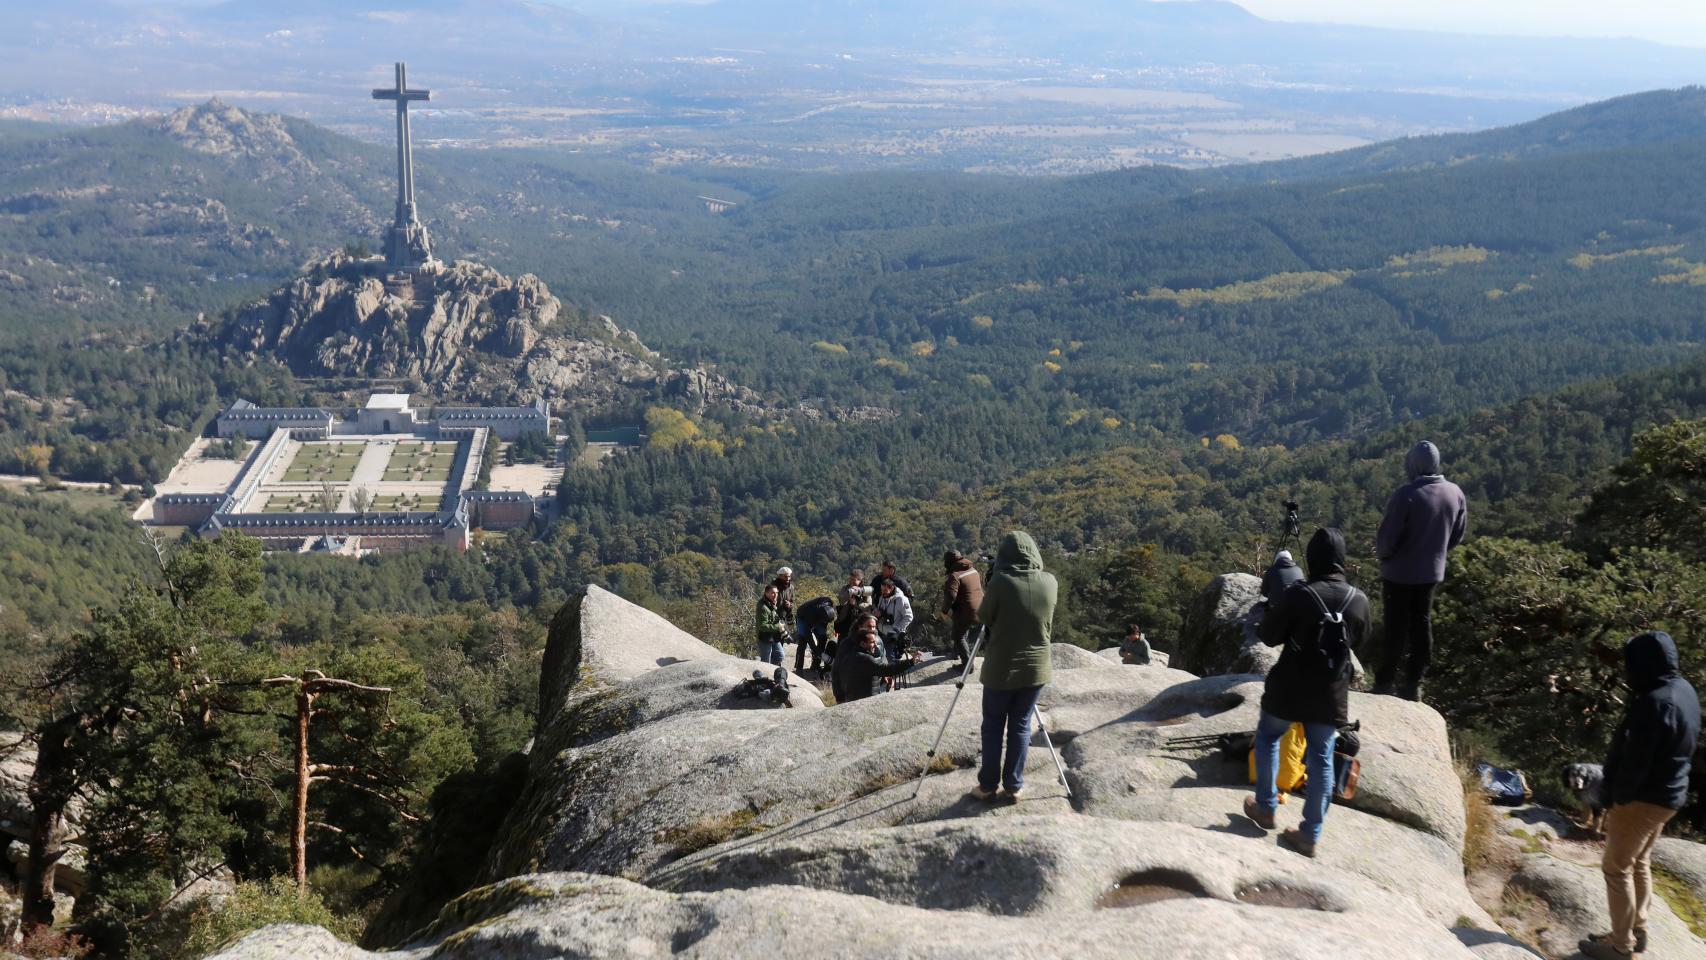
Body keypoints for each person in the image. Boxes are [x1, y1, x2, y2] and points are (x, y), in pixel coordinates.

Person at [1244, 527, 1372, 858]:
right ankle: (1310, 834)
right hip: (1329, 693)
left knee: (1269, 738)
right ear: (1341, 559)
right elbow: (1359, 643)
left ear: (1312, 559)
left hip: (1289, 686)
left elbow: (1269, 636)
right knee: (1321, 758)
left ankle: (1266, 807)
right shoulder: (1358, 600)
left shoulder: (1299, 594)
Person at [1579, 632, 1700, 960]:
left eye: (1631, 663)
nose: (1627, 670)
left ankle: (1621, 947)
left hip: (1641, 800)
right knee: (1639, 861)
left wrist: (1616, 797)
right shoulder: (1683, 690)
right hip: (1668, 794)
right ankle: (1638, 929)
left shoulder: (1655, 703)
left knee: (1616, 868)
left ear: (1644, 663)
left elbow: (1635, 762)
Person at [1373, 440, 1468, 701]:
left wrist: (1384, 556)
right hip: (1430, 573)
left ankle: (1385, 682)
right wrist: (1436, 553)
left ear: (1413, 464)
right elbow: (1457, 535)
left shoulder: (1407, 494)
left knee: (1395, 627)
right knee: (1421, 624)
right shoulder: (1455, 493)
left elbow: (1387, 540)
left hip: (1398, 574)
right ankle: (1414, 683)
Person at [973, 531, 1056, 802]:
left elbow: (983, 616)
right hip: (1036, 669)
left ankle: (987, 786)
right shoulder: (1050, 582)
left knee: (993, 726)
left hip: (1002, 668)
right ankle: (1014, 785)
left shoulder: (1001, 582)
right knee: (1021, 725)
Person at [831, 613, 918, 704]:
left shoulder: (878, 640)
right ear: (860, 626)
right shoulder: (848, 644)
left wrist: (886, 676)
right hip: (859, 694)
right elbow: (836, 669)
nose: (872, 629)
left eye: (874, 627)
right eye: (869, 626)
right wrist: (839, 696)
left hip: (877, 688)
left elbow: (882, 661)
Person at [941, 550, 984, 667]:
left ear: (949, 562)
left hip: (967, 610)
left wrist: (944, 611)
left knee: (958, 636)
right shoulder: (973, 570)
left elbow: (950, 596)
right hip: (980, 607)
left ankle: (967, 665)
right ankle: (956, 653)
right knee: (962, 628)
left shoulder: (955, 576)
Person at [794, 594, 837, 677]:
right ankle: (799, 668)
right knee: (803, 642)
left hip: (820, 617)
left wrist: (819, 650)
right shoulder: (811, 613)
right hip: (803, 617)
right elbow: (807, 633)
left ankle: (815, 665)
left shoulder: (829, 604)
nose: (825, 623)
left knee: (823, 639)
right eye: (825, 621)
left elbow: (824, 625)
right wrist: (814, 648)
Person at [875, 579, 914, 658]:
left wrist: (896, 630)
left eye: (885, 590)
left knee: (890, 657)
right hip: (881, 633)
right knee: (881, 657)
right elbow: (879, 609)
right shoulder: (882, 597)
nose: (882, 592)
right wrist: (877, 612)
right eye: (881, 590)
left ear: (892, 588)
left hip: (893, 635)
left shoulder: (901, 599)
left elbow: (909, 617)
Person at [754, 584, 788, 667]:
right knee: (766, 659)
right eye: (772, 593)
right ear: (766, 593)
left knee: (780, 656)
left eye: (776, 593)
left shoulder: (772, 602)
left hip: (774, 635)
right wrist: (778, 626)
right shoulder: (762, 607)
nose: (775, 595)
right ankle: (765, 672)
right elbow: (762, 626)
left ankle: (770, 669)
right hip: (764, 636)